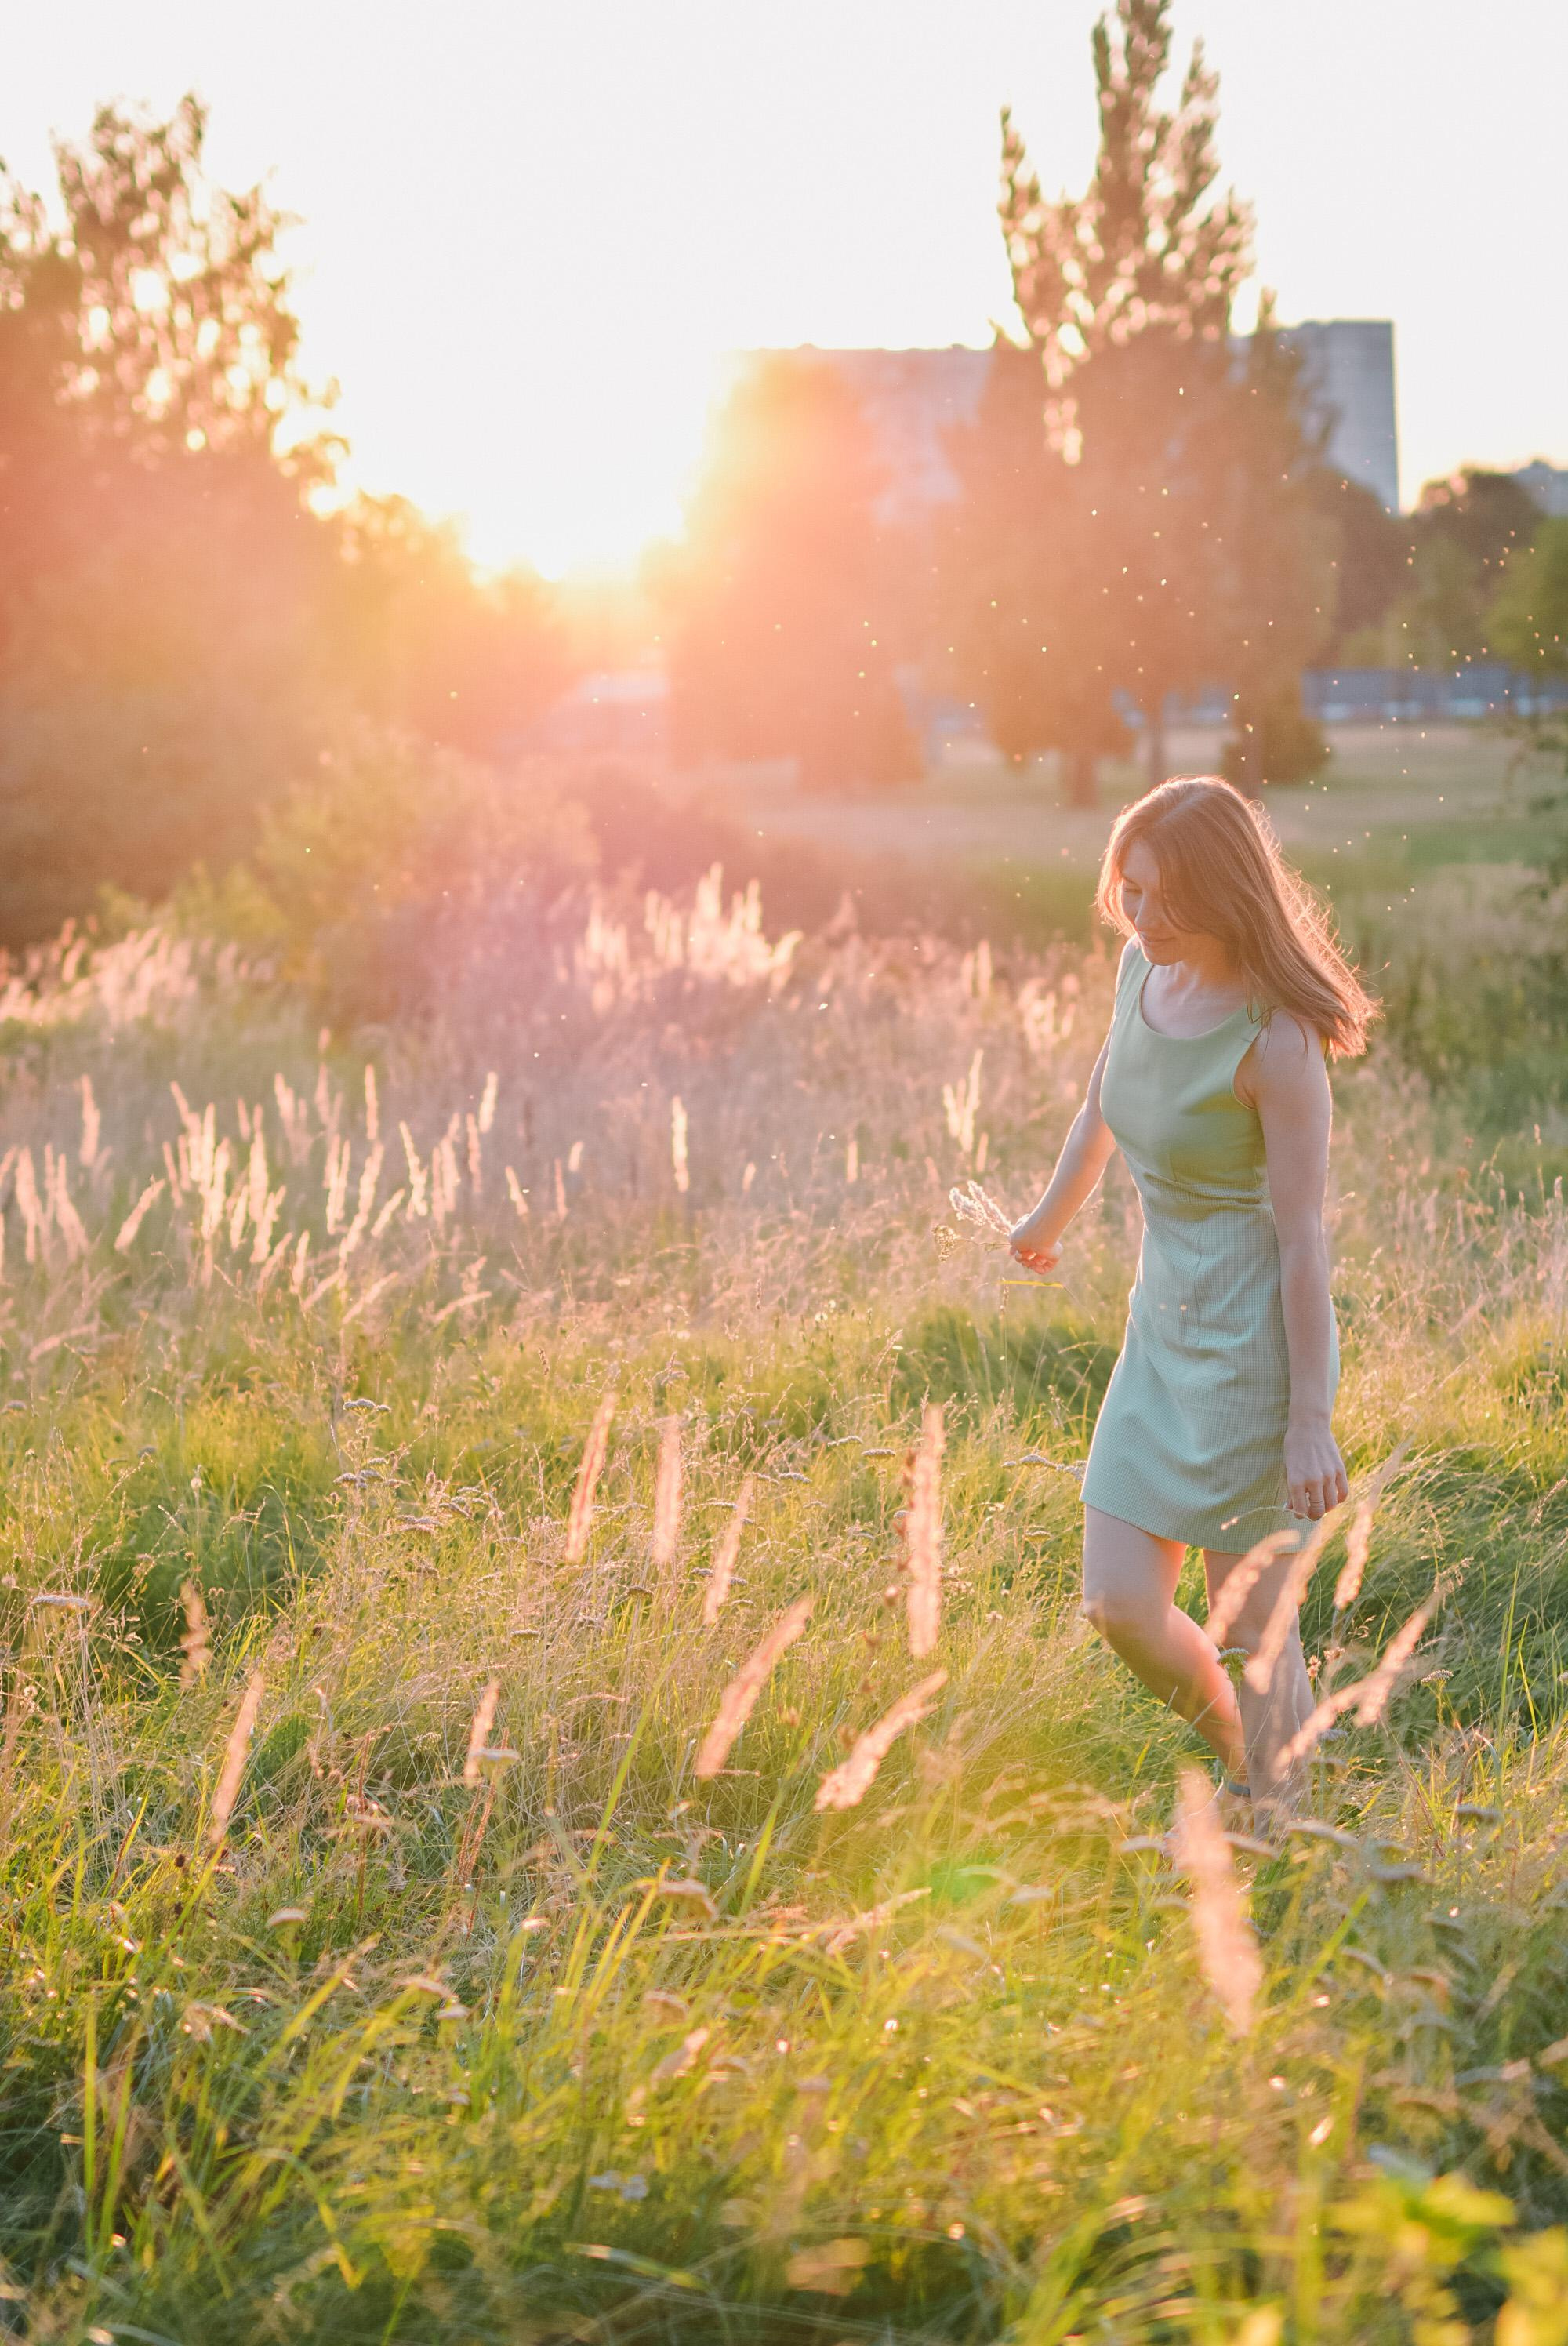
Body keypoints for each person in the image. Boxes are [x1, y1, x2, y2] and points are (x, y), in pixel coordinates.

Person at [1008, 778, 1375, 1820]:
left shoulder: (1278, 1043)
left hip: (1248, 1353)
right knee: (1121, 1603)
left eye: (1167, 899)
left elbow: (1303, 1242)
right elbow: (1102, 1105)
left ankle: (1281, 1806)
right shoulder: (1141, 973)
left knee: (1252, 1625)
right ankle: (1268, 1761)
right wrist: (1047, 1220)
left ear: (1225, 893)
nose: (1143, 916)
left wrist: (1310, 1421)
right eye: (1131, 891)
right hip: (1158, 1334)